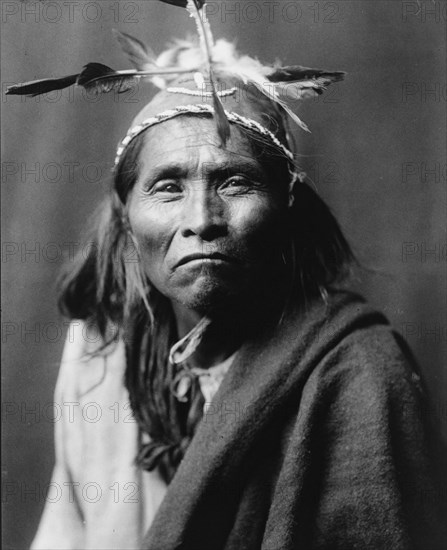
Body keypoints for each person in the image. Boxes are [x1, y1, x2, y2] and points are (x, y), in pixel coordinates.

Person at [9, 4, 442, 549]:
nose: (201, 221)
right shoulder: (98, 351)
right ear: (125, 213)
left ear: (285, 204)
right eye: (168, 187)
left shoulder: (356, 373)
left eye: (235, 182)